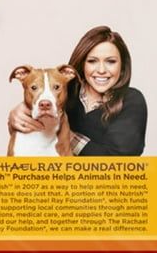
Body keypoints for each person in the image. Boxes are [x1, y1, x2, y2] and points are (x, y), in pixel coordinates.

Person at [8, 25, 147, 156]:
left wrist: (66, 135)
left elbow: (120, 159)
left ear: (122, 66)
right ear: (82, 63)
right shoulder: (64, 92)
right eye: (92, 61)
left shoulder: (131, 100)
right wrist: (18, 115)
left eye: (111, 61)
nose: (101, 70)